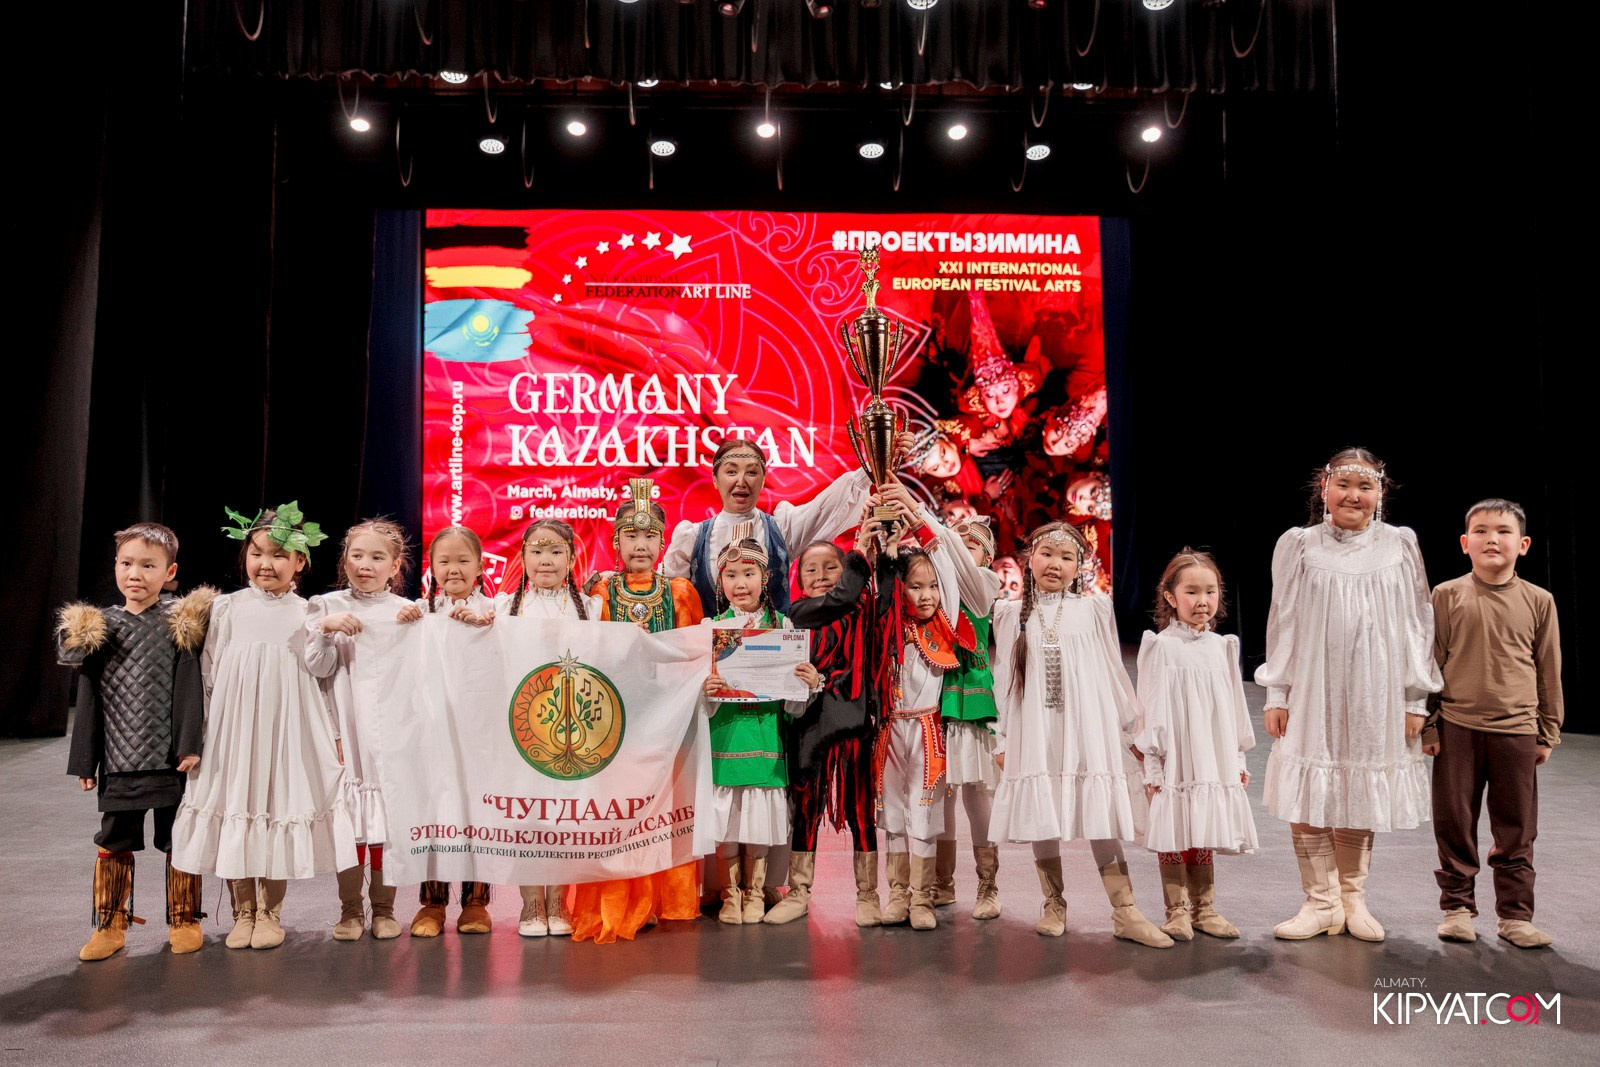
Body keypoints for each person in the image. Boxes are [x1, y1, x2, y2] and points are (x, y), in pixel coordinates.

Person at [1256, 448, 1441, 942]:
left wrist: (1414, 699)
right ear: (1325, 489)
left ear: (1380, 493)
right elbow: (1284, 620)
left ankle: (1351, 898)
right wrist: (1278, 692)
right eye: (1343, 485)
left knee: (1359, 784)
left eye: (1365, 487)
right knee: (1309, 789)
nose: (1353, 496)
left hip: (1374, 690)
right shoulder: (1299, 545)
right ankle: (1320, 902)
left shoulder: (1400, 545)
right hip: (1313, 685)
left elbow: (1417, 623)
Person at [170, 504, 355, 951]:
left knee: (277, 805)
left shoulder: (309, 611)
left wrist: (324, 632)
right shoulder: (227, 608)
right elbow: (209, 673)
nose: (265, 563)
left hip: (288, 728)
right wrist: (201, 734)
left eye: (278, 555)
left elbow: (322, 672)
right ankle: (243, 911)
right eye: (256, 554)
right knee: (237, 801)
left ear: (299, 562)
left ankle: (270, 913)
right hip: (234, 729)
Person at [989, 522, 1172, 947]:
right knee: (1043, 809)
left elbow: (1112, 667)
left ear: (1079, 567)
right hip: (1036, 724)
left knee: (1098, 810)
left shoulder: (1094, 608)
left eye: (1066, 557)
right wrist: (1002, 736)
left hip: (1087, 722)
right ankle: (1053, 903)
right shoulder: (1010, 613)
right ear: (1029, 559)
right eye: (1046, 554)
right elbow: (1004, 678)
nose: (1055, 564)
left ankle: (1125, 910)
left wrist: (1129, 726)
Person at [58, 522, 210, 961]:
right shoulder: (100, 627)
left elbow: (189, 688)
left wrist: (189, 744)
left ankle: (185, 918)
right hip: (119, 760)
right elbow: (89, 697)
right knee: (114, 839)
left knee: (178, 838)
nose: (135, 574)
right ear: (115, 566)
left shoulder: (180, 622)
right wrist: (86, 760)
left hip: (171, 760)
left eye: (148, 565)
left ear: (170, 572)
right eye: (127, 563)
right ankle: (110, 925)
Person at [568, 480, 705, 944]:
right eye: (631, 535)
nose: (640, 545)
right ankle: (620, 899)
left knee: (664, 807)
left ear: (663, 542)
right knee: (617, 809)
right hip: (614, 720)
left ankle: (663, 899)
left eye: (649, 536)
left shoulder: (680, 591)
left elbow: (691, 653)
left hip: (666, 720)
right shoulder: (600, 590)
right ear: (616, 541)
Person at [1423, 499, 1563, 949]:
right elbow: (1431, 664)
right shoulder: (1446, 595)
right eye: (1481, 531)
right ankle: (1457, 909)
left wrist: (1548, 731)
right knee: (1454, 821)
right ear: (1465, 543)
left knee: (1516, 828)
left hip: (1517, 729)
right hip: (1457, 726)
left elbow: (1548, 671)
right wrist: (1428, 724)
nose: (1492, 539)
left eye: (1503, 531)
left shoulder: (1539, 601)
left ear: (1523, 544)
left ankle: (1515, 916)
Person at [868, 486, 984, 932]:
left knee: (926, 810)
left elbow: (946, 567)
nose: (926, 595)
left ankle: (922, 897)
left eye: (932, 586)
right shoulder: (887, 622)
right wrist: (883, 543)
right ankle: (897, 894)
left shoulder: (944, 619)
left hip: (927, 730)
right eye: (915, 587)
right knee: (893, 811)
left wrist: (918, 518)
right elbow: (880, 582)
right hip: (890, 731)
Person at [305, 519, 424, 942]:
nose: (365, 565)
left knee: (385, 823)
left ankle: (385, 909)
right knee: (351, 822)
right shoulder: (326, 606)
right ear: (344, 560)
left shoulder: (408, 610)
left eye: (377, 557)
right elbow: (317, 668)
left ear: (395, 565)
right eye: (356, 555)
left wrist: (416, 626)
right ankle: (351, 910)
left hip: (391, 735)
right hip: (346, 730)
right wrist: (326, 630)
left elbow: (422, 674)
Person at [763, 522, 886, 927]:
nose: (820, 576)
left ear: (845, 572)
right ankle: (799, 892)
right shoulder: (799, 615)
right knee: (807, 808)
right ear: (798, 581)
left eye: (831, 568)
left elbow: (857, 595)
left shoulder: (861, 607)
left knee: (860, 809)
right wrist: (857, 556)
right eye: (810, 570)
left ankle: (867, 894)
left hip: (853, 724)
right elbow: (839, 598)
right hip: (811, 725)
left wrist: (877, 550)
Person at [1133, 549, 1258, 941]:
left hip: (1211, 753)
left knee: (1201, 824)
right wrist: (1153, 766)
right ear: (1171, 597)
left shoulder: (1223, 647)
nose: (1202, 600)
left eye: (1210, 591)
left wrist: (1237, 757)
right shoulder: (1161, 646)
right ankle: (1176, 910)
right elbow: (1150, 708)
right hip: (1176, 756)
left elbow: (1234, 708)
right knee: (1175, 824)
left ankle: (1205, 908)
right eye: (1192, 592)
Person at [700, 522, 821, 924]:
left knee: (757, 820)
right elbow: (696, 701)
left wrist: (806, 684)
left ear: (764, 578)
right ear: (720, 581)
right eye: (731, 575)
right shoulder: (710, 630)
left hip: (767, 738)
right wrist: (706, 690)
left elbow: (793, 706)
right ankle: (729, 894)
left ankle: (755, 893)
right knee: (727, 822)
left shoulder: (783, 628)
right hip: (725, 738)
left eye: (748, 574)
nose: (740, 584)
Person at [494, 517, 603, 938]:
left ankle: (557, 899)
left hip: (572, 728)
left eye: (556, 551)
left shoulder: (591, 608)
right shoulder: (504, 607)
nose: (546, 559)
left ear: (571, 559)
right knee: (527, 817)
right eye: (537, 551)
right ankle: (530, 902)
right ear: (522, 557)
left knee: (563, 815)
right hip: (521, 727)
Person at [663, 436, 870, 618]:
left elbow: (826, 506)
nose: (741, 481)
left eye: (752, 472)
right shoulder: (692, 538)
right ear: (715, 480)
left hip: (775, 649)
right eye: (731, 471)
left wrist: (874, 468)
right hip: (708, 650)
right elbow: (669, 601)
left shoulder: (782, 528)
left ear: (763, 481)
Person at [409, 525, 496, 938]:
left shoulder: (497, 611)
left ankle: (476, 902)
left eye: (463, 560)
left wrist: (489, 627)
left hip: (481, 733)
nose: (454, 569)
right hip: (432, 731)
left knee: (478, 811)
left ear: (480, 566)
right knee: (435, 811)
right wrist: (403, 624)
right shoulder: (417, 612)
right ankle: (432, 903)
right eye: (444, 561)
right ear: (432, 567)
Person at [932, 516, 1004, 920]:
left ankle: (988, 884)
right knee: (940, 796)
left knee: (977, 796)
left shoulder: (985, 583)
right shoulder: (936, 588)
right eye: (955, 546)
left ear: (987, 557)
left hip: (971, 699)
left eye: (970, 546)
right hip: (937, 695)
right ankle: (943, 882)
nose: (960, 553)